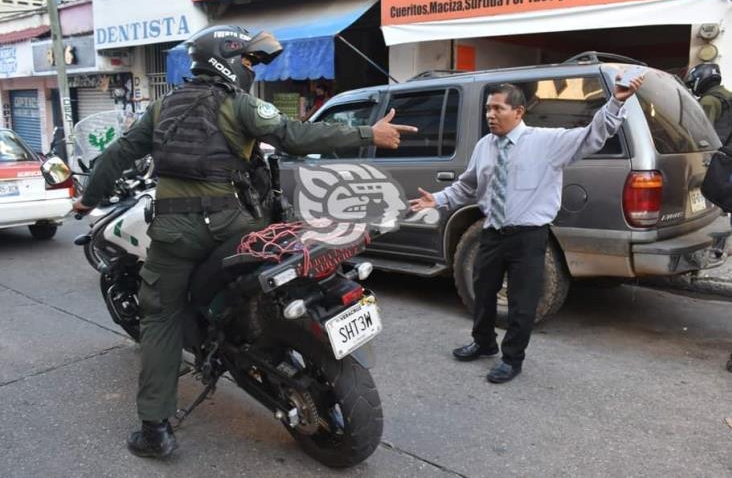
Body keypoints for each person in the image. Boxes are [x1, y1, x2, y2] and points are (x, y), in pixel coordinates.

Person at [72, 25, 417, 458]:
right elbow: (296, 136)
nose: (251, 68)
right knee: (251, 260)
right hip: (233, 224)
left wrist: (88, 200)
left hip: (175, 230)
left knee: (159, 317)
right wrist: (368, 134)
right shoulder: (240, 105)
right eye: (249, 61)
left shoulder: (161, 108)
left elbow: (120, 154)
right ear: (227, 60)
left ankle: (155, 430)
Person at [409, 76, 643, 384]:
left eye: (497, 108)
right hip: (491, 232)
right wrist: (438, 198)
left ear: (518, 112)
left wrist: (617, 101)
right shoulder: (484, 147)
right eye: (487, 109)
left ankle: (511, 358)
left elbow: (592, 136)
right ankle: (484, 342)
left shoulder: (547, 142)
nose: (490, 115)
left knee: (521, 301)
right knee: (481, 290)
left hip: (528, 236)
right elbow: (469, 186)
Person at [685, 63, 732, 144]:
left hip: (719, 152)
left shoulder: (708, 100)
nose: (692, 87)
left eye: (692, 83)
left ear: (699, 79)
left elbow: (701, 133)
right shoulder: (728, 95)